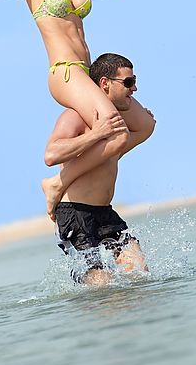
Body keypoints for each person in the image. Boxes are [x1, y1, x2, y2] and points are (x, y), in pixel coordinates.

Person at [0, 0, 154, 219]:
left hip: (87, 73)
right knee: (116, 133)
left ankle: (91, 162)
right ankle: (57, 183)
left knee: (143, 126)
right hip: (65, 72)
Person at [44, 53, 155, 286]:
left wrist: (144, 123)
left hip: (105, 214)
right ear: (104, 84)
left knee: (141, 275)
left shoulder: (118, 127)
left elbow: (133, 137)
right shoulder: (74, 116)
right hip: (74, 215)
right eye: (128, 82)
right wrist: (96, 134)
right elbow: (51, 154)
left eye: (134, 81)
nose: (134, 89)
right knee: (102, 288)